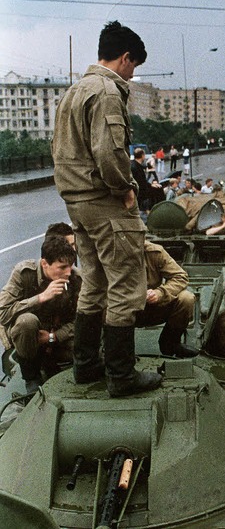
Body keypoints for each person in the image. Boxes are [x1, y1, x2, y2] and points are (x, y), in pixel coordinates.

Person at [51, 21, 161, 397]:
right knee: (126, 285)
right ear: (125, 57)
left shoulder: (73, 91)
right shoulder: (107, 91)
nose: (134, 74)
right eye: (135, 65)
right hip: (105, 202)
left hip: (77, 203)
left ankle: (86, 366)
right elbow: (110, 151)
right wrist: (125, 188)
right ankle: (121, 375)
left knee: (94, 282)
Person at [0, 236, 80, 392]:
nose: (68, 272)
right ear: (45, 263)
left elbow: (82, 320)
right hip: (29, 338)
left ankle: (49, 362)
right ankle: (31, 377)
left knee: (89, 348)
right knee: (26, 322)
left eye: (70, 266)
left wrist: (54, 337)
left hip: (57, 336)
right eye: (62, 267)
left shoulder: (76, 279)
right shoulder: (24, 274)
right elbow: (3, 313)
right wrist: (40, 298)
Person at [135, 241, 199, 358]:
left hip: (152, 306)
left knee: (186, 298)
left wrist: (159, 293)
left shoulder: (154, 252)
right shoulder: (108, 251)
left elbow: (180, 277)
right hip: (122, 308)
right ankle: (115, 348)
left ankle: (171, 343)